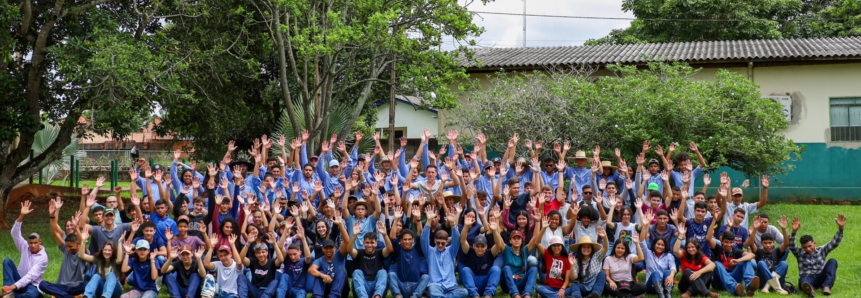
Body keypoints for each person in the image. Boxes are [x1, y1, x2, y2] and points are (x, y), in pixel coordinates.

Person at [38, 198, 88, 298]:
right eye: (67, 246)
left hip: (76, 286)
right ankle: (71, 297)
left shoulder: (83, 252)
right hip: (62, 285)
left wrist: (77, 227)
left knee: (88, 284)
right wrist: (52, 215)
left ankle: (62, 296)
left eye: (70, 246)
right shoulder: (65, 248)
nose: (68, 249)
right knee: (42, 284)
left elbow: (82, 243)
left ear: (78, 244)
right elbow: (54, 233)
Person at [788, 214, 844, 297]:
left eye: (809, 246)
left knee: (832, 261)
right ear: (802, 247)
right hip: (807, 278)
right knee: (803, 279)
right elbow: (791, 244)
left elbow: (834, 243)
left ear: (814, 243)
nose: (807, 249)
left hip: (820, 277)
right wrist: (794, 232)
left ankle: (826, 286)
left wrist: (841, 228)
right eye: (805, 247)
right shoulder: (799, 252)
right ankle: (809, 290)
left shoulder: (822, 250)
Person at [2, 201, 47, 298]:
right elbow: (15, 233)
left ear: (40, 242)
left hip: (32, 284)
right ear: (28, 242)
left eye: (35, 243)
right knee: (7, 261)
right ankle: (8, 291)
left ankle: (13, 296)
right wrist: (21, 216)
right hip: (19, 280)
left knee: (33, 294)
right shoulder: (25, 246)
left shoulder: (43, 257)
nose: (33, 245)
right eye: (31, 243)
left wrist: (13, 286)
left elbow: (30, 276)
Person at [421, 205, 468, 298]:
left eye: (443, 243)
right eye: (438, 243)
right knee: (432, 291)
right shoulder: (429, 251)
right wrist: (429, 221)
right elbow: (423, 239)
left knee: (464, 292)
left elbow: (456, 239)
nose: (440, 245)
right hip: (435, 285)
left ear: (447, 242)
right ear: (434, 241)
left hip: (451, 285)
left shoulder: (451, 251)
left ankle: (442, 297)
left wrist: (452, 224)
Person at [388, 206, 430, 298]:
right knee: (391, 274)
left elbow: (420, 234)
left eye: (409, 239)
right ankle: (398, 295)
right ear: (401, 240)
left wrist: (418, 218)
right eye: (405, 239)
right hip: (401, 285)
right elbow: (392, 236)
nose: (407, 241)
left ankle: (414, 296)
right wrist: (396, 219)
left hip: (415, 285)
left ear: (412, 240)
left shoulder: (418, 249)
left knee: (425, 277)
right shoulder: (399, 249)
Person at [743, 215, 789, 295]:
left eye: (770, 243)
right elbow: (751, 243)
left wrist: (784, 229)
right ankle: (777, 288)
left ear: (773, 243)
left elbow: (786, 244)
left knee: (784, 263)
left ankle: (767, 287)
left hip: (778, 280)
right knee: (761, 263)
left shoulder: (777, 251)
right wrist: (755, 229)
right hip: (763, 281)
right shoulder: (759, 251)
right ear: (761, 243)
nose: (768, 245)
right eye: (765, 243)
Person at [459, 215, 502, 298]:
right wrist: (466, 226)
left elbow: (498, 244)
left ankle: (488, 295)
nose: (480, 248)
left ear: (486, 247)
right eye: (477, 246)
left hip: (486, 282)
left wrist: (494, 231)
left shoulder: (490, 252)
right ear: (474, 246)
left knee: (496, 269)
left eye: (482, 246)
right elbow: (463, 240)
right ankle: (475, 295)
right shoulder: (469, 251)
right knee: (465, 270)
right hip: (473, 282)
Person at [308, 214, 350, 298]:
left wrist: (340, 224)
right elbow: (311, 269)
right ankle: (317, 296)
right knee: (320, 273)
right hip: (327, 288)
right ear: (322, 249)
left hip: (341, 289)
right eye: (326, 248)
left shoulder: (339, 255)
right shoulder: (320, 260)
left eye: (330, 248)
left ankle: (333, 296)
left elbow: (347, 241)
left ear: (334, 248)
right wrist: (322, 275)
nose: (328, 250)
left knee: (342, 273)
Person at [347, 220, 393, 298]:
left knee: (383, 272)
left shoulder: (379, 253)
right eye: (367, 243)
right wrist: (354, 235)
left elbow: (389, 249)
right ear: (363, 243)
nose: (369, 245)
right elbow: (349, 250)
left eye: (372, 243)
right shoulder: (359, 253)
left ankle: (377, 296)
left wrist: (385, 235)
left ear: (376, 243)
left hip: (376, 286)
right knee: (356, 272)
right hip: (362, 287)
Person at [706, 230, 759, 296]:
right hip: (720, 282)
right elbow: (708, 238)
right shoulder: (718, 249)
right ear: (722, 241)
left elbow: (752, 255)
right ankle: (734, 288)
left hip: (734, 279)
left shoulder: (735, 251)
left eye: (731, 242)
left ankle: (749, 286)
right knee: (716, 263)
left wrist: (738, 260)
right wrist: (714, 220)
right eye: (726, 242)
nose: (729, 245)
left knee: (746, 260)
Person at [674, 222, 719, 298]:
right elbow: (675, 251)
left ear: (697, 248)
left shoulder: (701, 256)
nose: (690, 249)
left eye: (693, 247)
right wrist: (681, 235)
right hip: (684, 285)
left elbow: (712, 265)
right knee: (688, 270)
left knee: (709, 271)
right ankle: (707, 293)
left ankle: (690, 292)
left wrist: (699, 272)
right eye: (688, 247)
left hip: (699, 283)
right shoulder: (684, 254)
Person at [602, 224, 646, 298]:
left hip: (629, 283)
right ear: (614, 248)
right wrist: (611, 281)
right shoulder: (608, 259)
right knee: (607, 287)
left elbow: (641, 258)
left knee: (642, 287)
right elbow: (606, 275)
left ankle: (623, 296)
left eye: (622, 248)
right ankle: (632, 297)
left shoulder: (629, 257)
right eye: (618, 248)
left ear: (625, 249)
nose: (620, 250)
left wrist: (637, 244)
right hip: (616, 283)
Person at [639, 212, 676, 298]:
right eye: (658, 244)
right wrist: (645, 225)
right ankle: (661, 295)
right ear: (654, 244)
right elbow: (641, 242)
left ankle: (668, 294)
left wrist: (671, 276)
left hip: (665, 283)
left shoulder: (668, 255)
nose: (660, 246)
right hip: (651, 285)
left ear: (665, 246)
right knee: (655, 273)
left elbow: (673, 267)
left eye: (662, 245)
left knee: (668, 272)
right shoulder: (648, 253)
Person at [238, 230, 284, 298]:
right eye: (258, 253)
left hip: (267, 292)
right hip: (255, 291)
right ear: (255, 254)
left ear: (267, 253)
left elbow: (281, 260)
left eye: (263, 252)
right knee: (241, 277)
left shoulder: (271, 262)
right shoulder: (253, 262)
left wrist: (274, 244)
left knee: (275, 282)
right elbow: (241, 258)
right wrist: (248, 243)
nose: (261, 255)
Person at [77, 231, 124, 298]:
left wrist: (119, 242)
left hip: (115, 291)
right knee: (96, 276)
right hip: (101, 290)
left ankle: (106, 296)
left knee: (111, 274)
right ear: (102, 250)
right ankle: (87, 296)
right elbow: (82, 256)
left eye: (109, 250)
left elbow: (119, 259)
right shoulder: (99, 259)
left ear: (113, 251)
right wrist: (83, 241)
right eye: (105, 250)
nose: (107, 252)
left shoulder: (115, 260)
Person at [567, 228, 609, 298]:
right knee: (574, 284)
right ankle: (576, 297)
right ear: (580, 249)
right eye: (584, 247)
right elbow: (573, 278)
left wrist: (604, 237)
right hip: (583, 287)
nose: (586, 249)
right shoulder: (576, 261)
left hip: (595, 286)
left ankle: (594, 295)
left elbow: (605, 248)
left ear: (592, 248)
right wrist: (572, 265)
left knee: (602, 274)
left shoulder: (596, 256)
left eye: (588, 247)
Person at [276, 224, 313, 298]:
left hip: (299, 290)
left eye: (295, 254)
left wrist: (303, 238)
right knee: (284, 276)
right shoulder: (288, 259)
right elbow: (280, 246)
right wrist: (286, 229)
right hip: (288, 288)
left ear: (300, 252)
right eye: (290, 254)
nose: (292, 257)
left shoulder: (303, 261)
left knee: (302, 293)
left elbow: (308, 256)